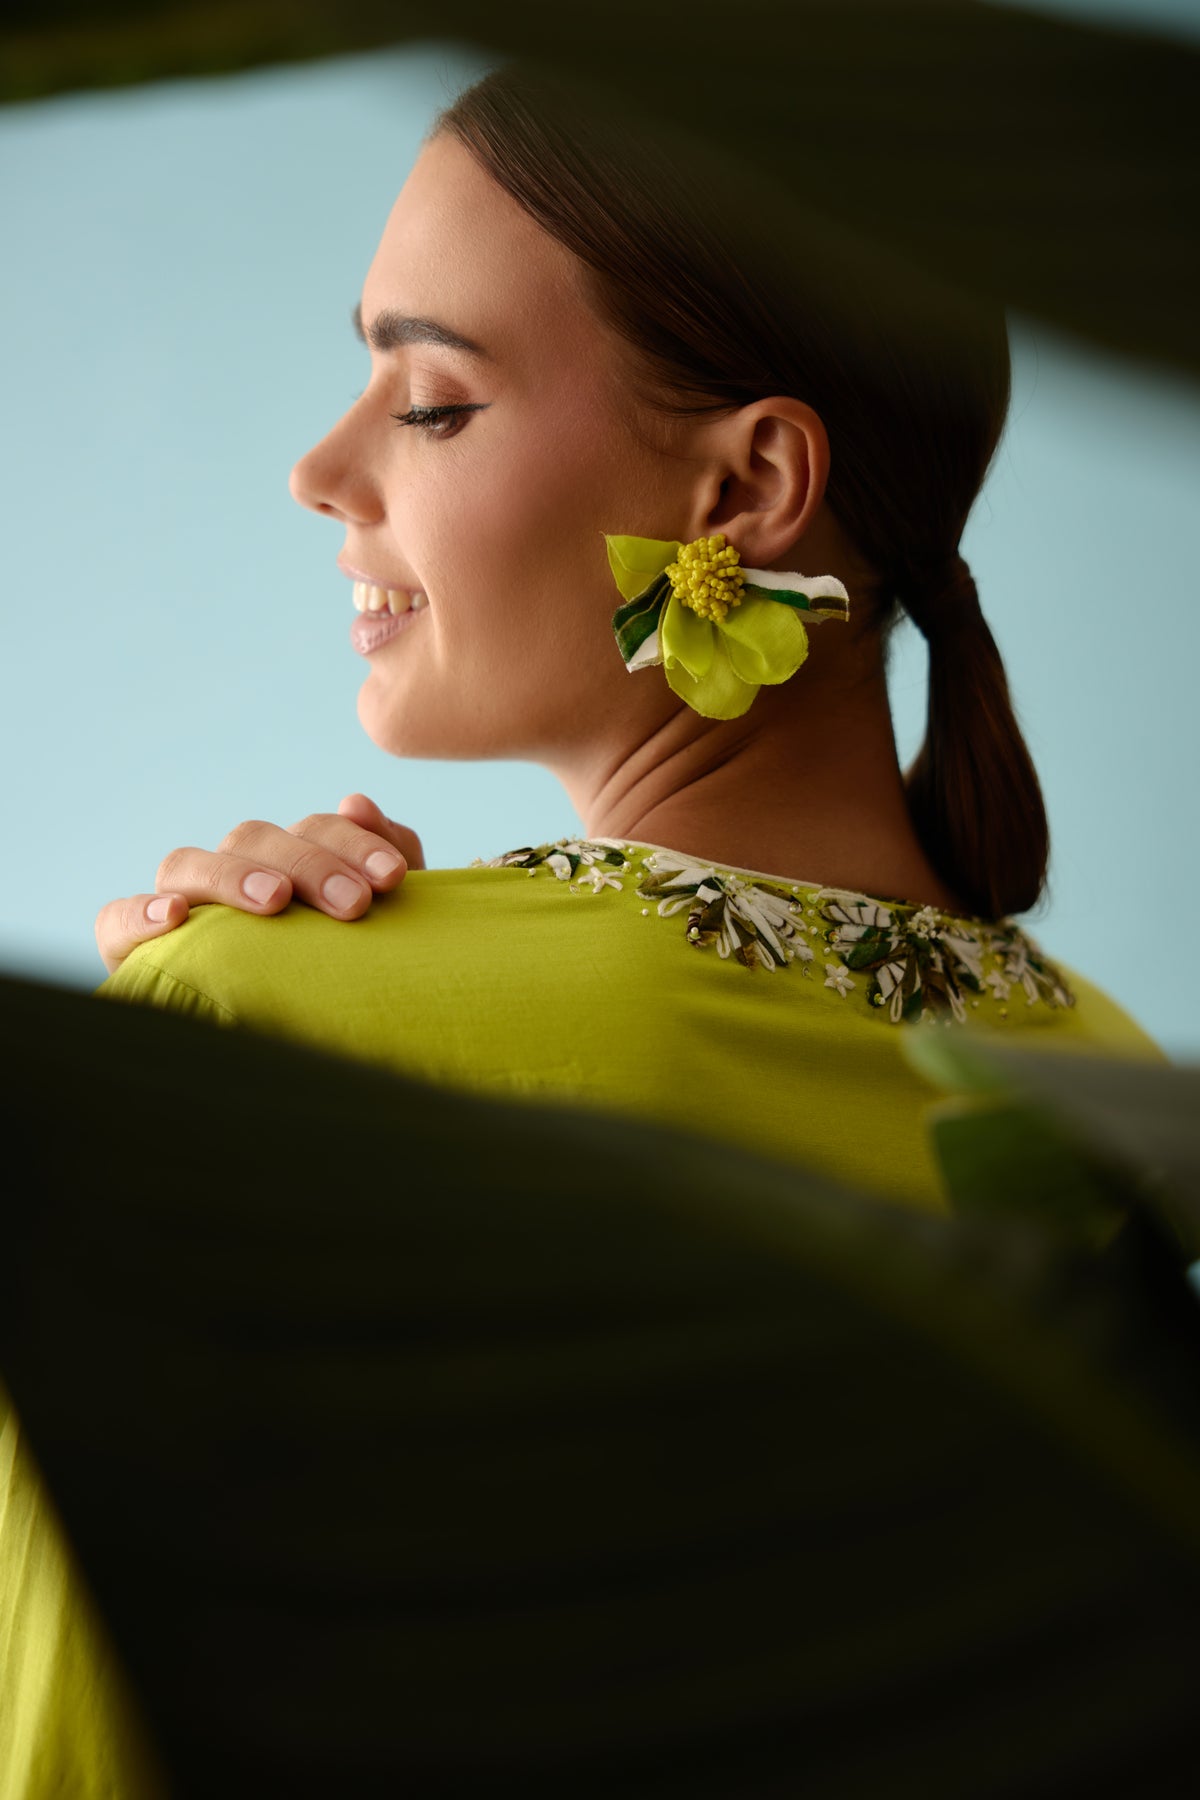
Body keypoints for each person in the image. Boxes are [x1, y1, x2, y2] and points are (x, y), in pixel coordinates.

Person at [3, 66, 1167, 1797]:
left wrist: (183, 1053)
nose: (323, 469)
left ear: (747, 486)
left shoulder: (271, 1024)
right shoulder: (1119, 1107)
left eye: (433, 400)